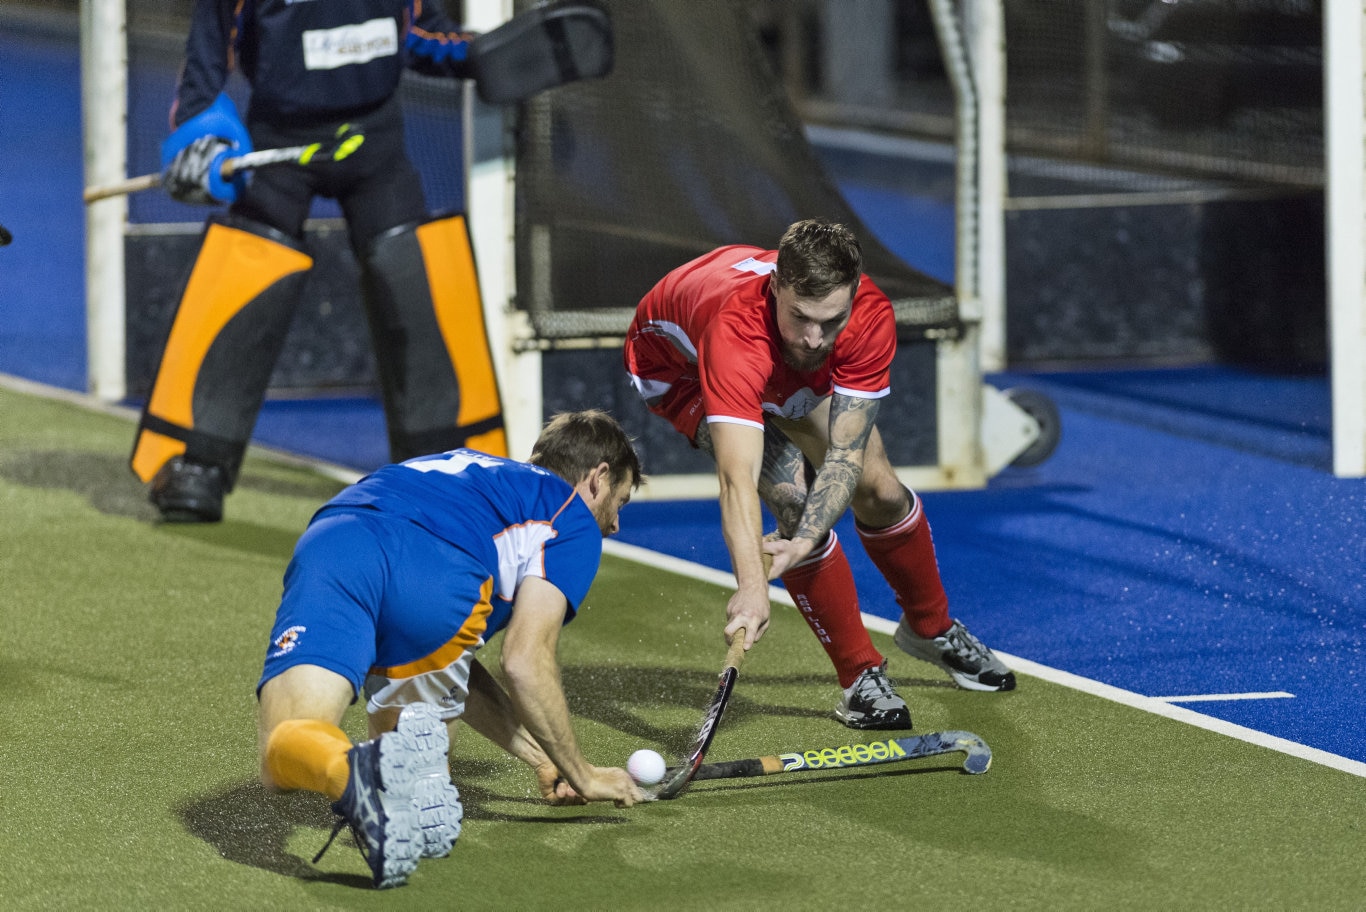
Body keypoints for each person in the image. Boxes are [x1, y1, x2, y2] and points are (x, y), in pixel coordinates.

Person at [129, 0, 609, 523]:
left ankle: (450, 477)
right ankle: (191, 463)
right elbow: (206, 57)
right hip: (278, 144)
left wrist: (480, 54)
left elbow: (419, 34)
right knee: (247, 267)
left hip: (373, 142)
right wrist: (198, 132)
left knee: (414, 282)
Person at [623, 219, 1016, 732]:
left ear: (854, 293)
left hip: (772, 363)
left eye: (831, 320)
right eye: (801, 316)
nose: (813, 338)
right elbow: (736, 481)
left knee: (880, 489)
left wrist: (804, 542)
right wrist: (751, 585)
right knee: (791, 499)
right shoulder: (737, 333)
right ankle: (860, 678)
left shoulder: (867, 316)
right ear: (776, 287)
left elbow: (846, 456)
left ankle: (930, 627)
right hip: (682, 370)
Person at [256, 409, 646, 889]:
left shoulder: (473, 471)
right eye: (620, 503)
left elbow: (462, 665)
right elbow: (524, 661)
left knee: (286, 747)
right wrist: (582, 773)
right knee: (420, 790)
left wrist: (544, 760)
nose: (616, 525)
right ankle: (405, 778)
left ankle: (355, 772)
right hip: (437, 573)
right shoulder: (570, 513)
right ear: (597, 478)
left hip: (335, 539)